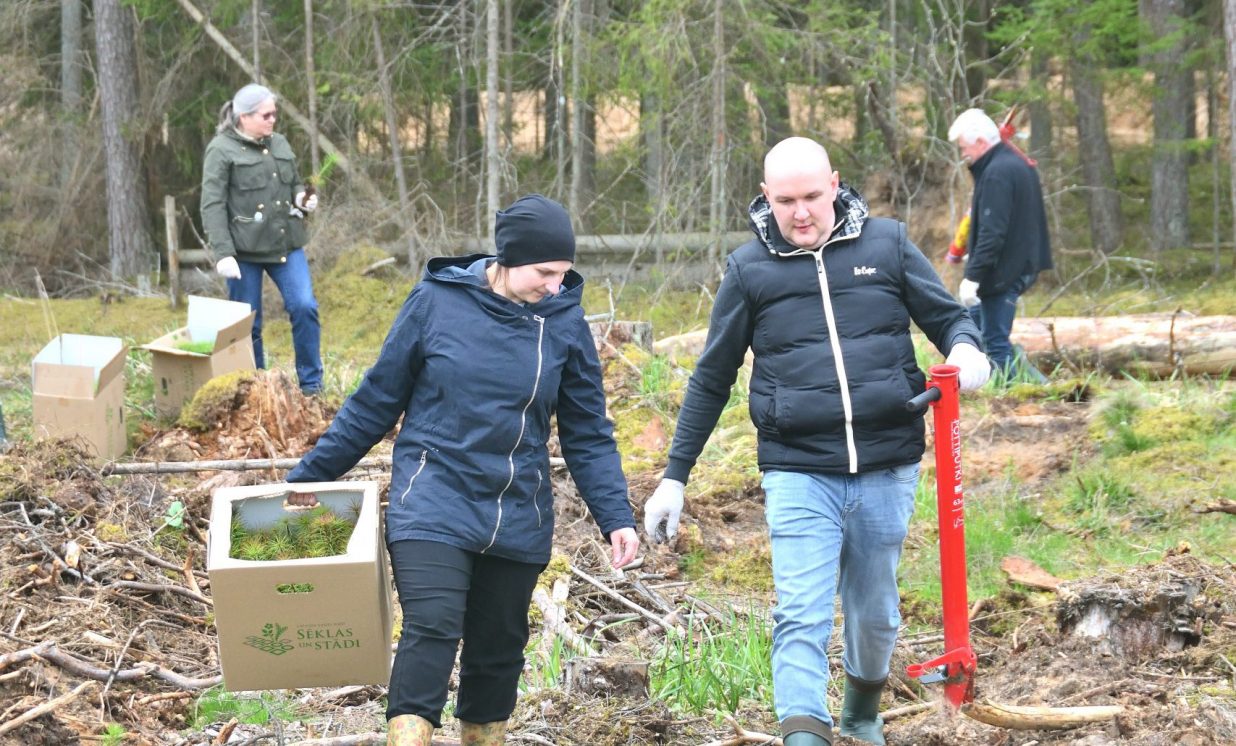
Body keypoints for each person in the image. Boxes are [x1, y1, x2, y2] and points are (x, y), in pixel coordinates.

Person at [642, 138, 990, 746]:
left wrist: (965, 349)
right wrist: (675, 476)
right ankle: (805, 735)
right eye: (785, 201)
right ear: (765, 196)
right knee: (801, 612)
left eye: (811, 196)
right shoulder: (750, 270)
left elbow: (947, 317)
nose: (800, 213)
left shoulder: (886, 244)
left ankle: (861, 714)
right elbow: (712, 376)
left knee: (875, 615)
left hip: (887, 461)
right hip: (798, 468)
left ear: (834, 184)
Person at [284, 194, 640, 746]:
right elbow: (377, 400)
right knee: (433, 625)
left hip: (517, 510)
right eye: (544, 272)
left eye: (563, 273)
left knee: (498, 650)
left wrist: (615, 515)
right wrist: (312, 475)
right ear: (508, 258)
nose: (555, 286)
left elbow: (588, 433)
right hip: (433, 496)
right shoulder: (435, 302)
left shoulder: (564, 323)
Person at [200, 83, 324, 395]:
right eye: (266, 115)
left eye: (274, 114)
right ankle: (257, 390)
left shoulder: (278, 143)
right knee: (248, 325)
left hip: (285, 245)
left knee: (305, 307)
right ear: (244, 117)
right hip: (243, 253)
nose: (273, 120)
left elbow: (293, 184)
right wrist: (222, 253)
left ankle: (312, 386)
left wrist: (301, 199)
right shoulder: (220, 150)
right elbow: (212, 204)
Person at [947, 108, 1053, 382]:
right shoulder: (1011, 164)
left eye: (965, 147)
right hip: (1013, 266)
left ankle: (1020, 392)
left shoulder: (997, 173)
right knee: (976, 331)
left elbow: (992, 233)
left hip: (1003, 272)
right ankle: (1030, 385)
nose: (964, 154)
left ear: (982, 142)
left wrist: (973, 277)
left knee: (994, 342)